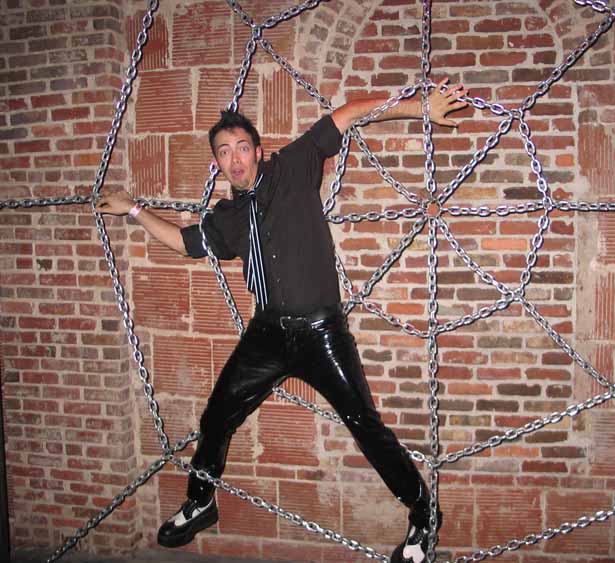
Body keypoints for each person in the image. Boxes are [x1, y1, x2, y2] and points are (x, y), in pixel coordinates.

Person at [95, 78, 467, 563]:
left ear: (257, 150)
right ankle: (200, 501)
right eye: (224, 152)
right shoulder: (228, 216)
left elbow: (347, 114)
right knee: (216, 416)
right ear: (217, 162)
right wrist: (134, 210)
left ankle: (423, 514)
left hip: (321, 332)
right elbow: (186, 243)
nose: (235, 158)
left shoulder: (292, 166)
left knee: (364, 424)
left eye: (241, 147)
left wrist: (419, 107)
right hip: (267, 333)